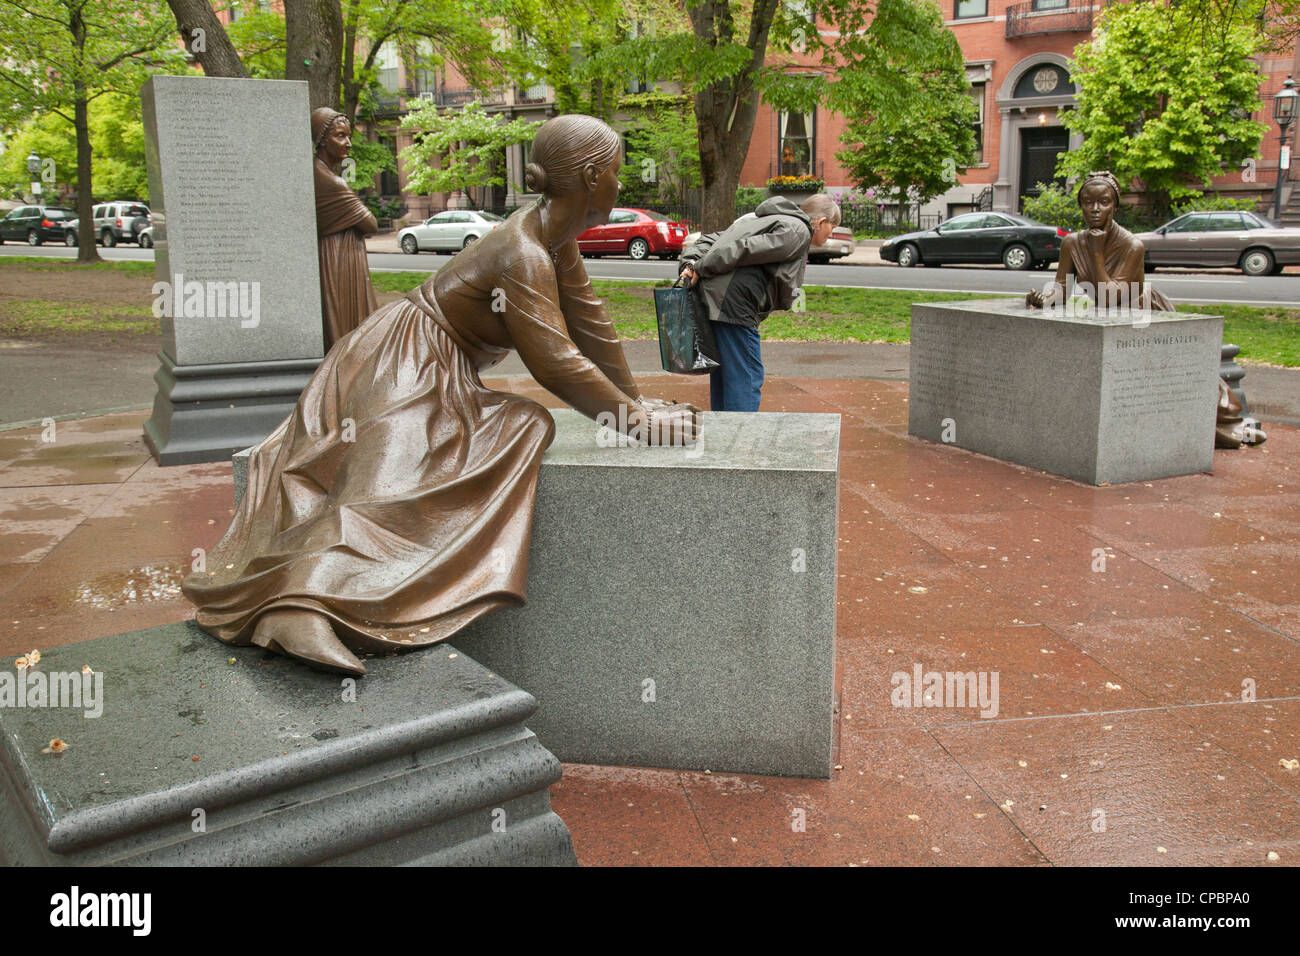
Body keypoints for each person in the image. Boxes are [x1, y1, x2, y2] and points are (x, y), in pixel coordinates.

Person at [182, 114, 699, 676]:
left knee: (525, 424)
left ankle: (342, 591)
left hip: (441, 370)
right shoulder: (524, 251)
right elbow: (556, 362)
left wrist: (636, 404)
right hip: (398, 360)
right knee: (382, 485)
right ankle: (299, 603)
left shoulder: (554, 243)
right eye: (618, 173)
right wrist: (637, 424)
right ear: (593, 176)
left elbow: (592, 329)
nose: (622, 185)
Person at [679, 194, 840, 411]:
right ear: (821, 222)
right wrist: (700, 267)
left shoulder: (759, 221)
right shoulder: (798, 230)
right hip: (734, 304)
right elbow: (745, 248)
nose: (833, 233)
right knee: (747, 376)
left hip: (717, 300)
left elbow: (710, 240)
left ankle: (722, 437)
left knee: (727, 375)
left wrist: (690, 263)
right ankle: (741, 441)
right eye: (833, 226)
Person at [1025, 170, 1173, 312]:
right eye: (1088, 202)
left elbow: (1109, 299)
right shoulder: (1072, 243)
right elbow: (1061, 290)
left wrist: (1097, 252)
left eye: (1104, 202)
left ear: (1115, 206)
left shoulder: (1132, 246)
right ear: (1081, 206)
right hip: (1107, 314)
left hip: (1139, 311)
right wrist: (1045, 298)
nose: (1095, 209)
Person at [312, 107, 379, 349]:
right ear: (321, 139)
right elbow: (370, 224)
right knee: (343, 319)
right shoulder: (333, 183)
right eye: (340, 136)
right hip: (338, 257)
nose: (348, 143)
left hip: (336, 252)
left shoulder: (317, 173)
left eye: (348, 136)